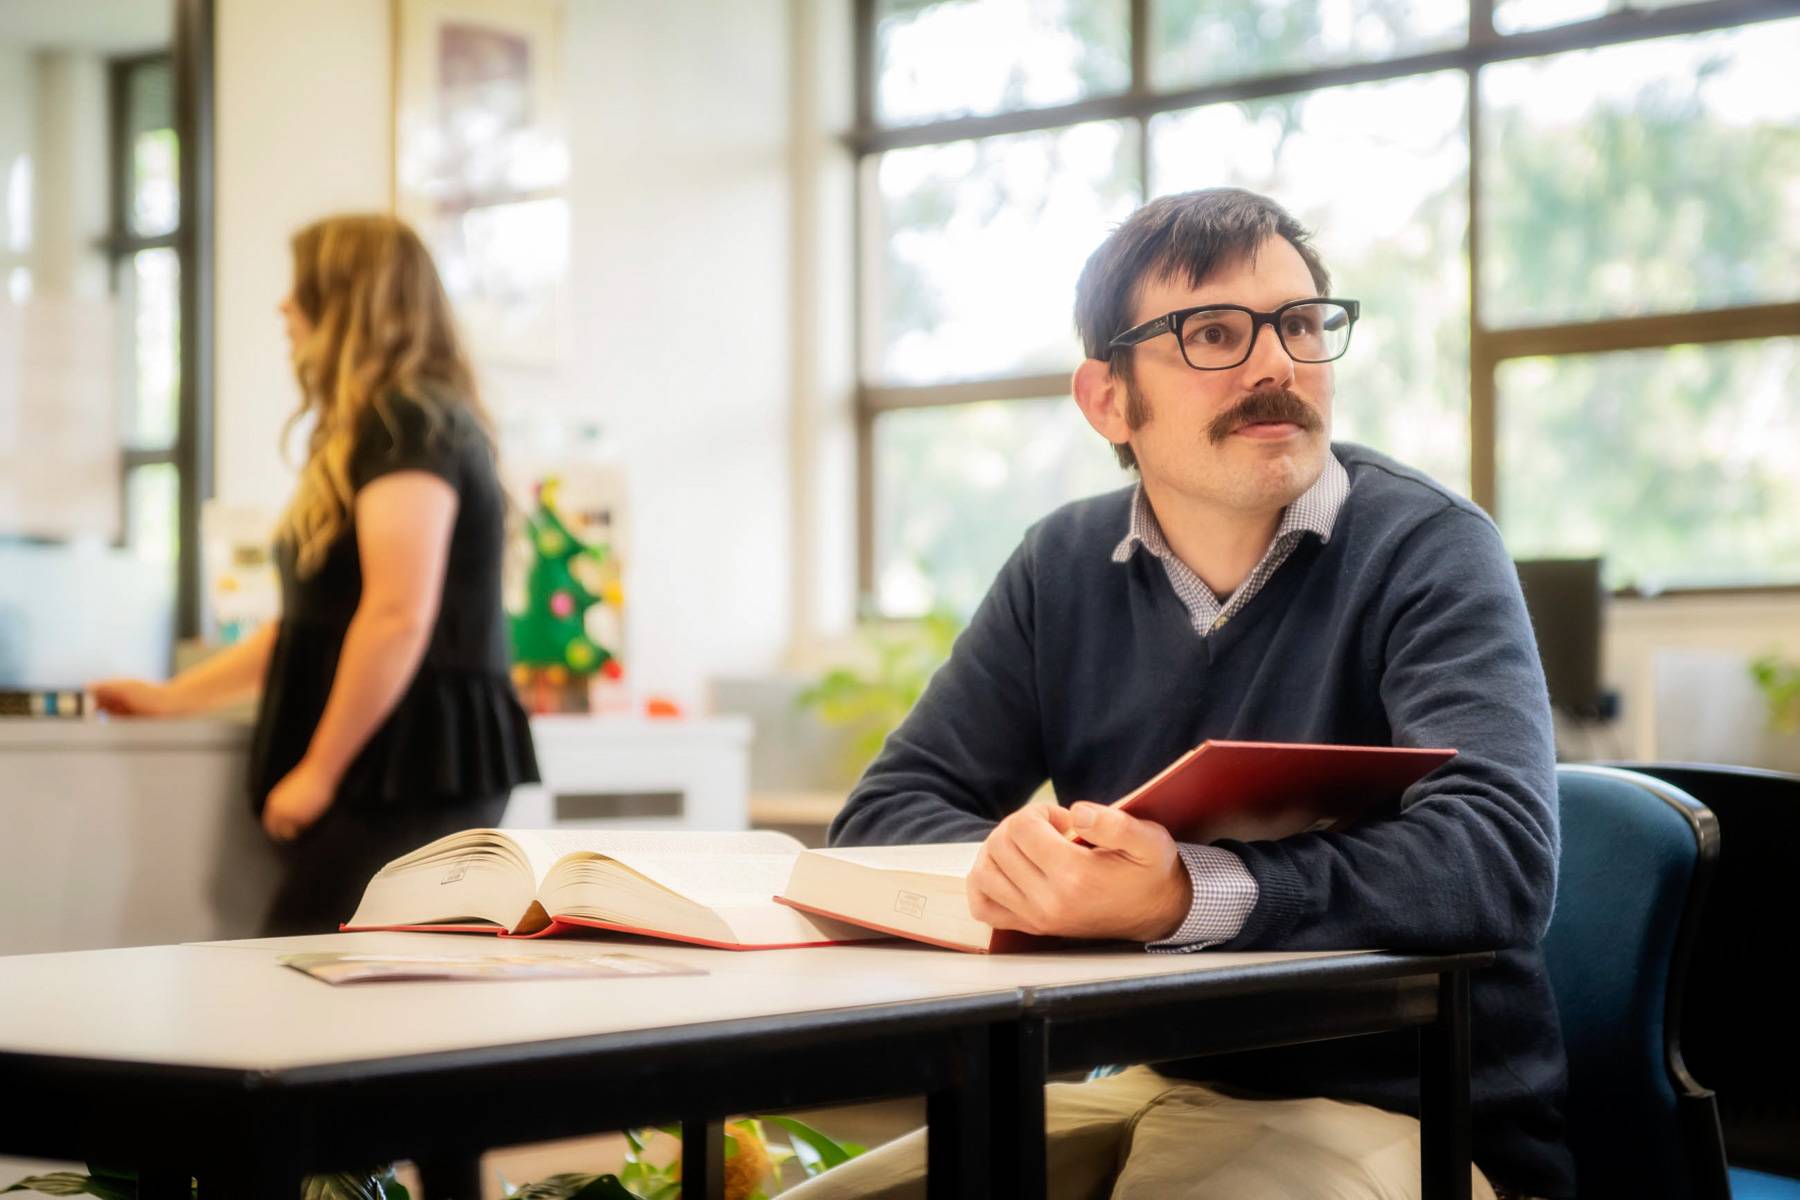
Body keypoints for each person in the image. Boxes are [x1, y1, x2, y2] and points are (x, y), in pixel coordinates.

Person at [790, 189, 1571, 1199]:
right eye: (1212, 333)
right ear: (1108, 399)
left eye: (1299, 324)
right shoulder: (1060, 564)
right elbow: (884, 818)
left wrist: (1182, 892)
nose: (1277, 364)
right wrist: (1029, 870)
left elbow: (1498, 856)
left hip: (1413, 1110)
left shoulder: (1429, 547)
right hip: (1158, 1078)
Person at [94, 213, 539, 936]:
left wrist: (320, 771)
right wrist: (172, 700)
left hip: (416, 771)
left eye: (299, 288)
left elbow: (398, 615)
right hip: (398, 768)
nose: (282, 306)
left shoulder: (407, 425)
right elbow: (307, 630)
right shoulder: (388, 426)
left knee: (312, 973)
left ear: (347, 303)